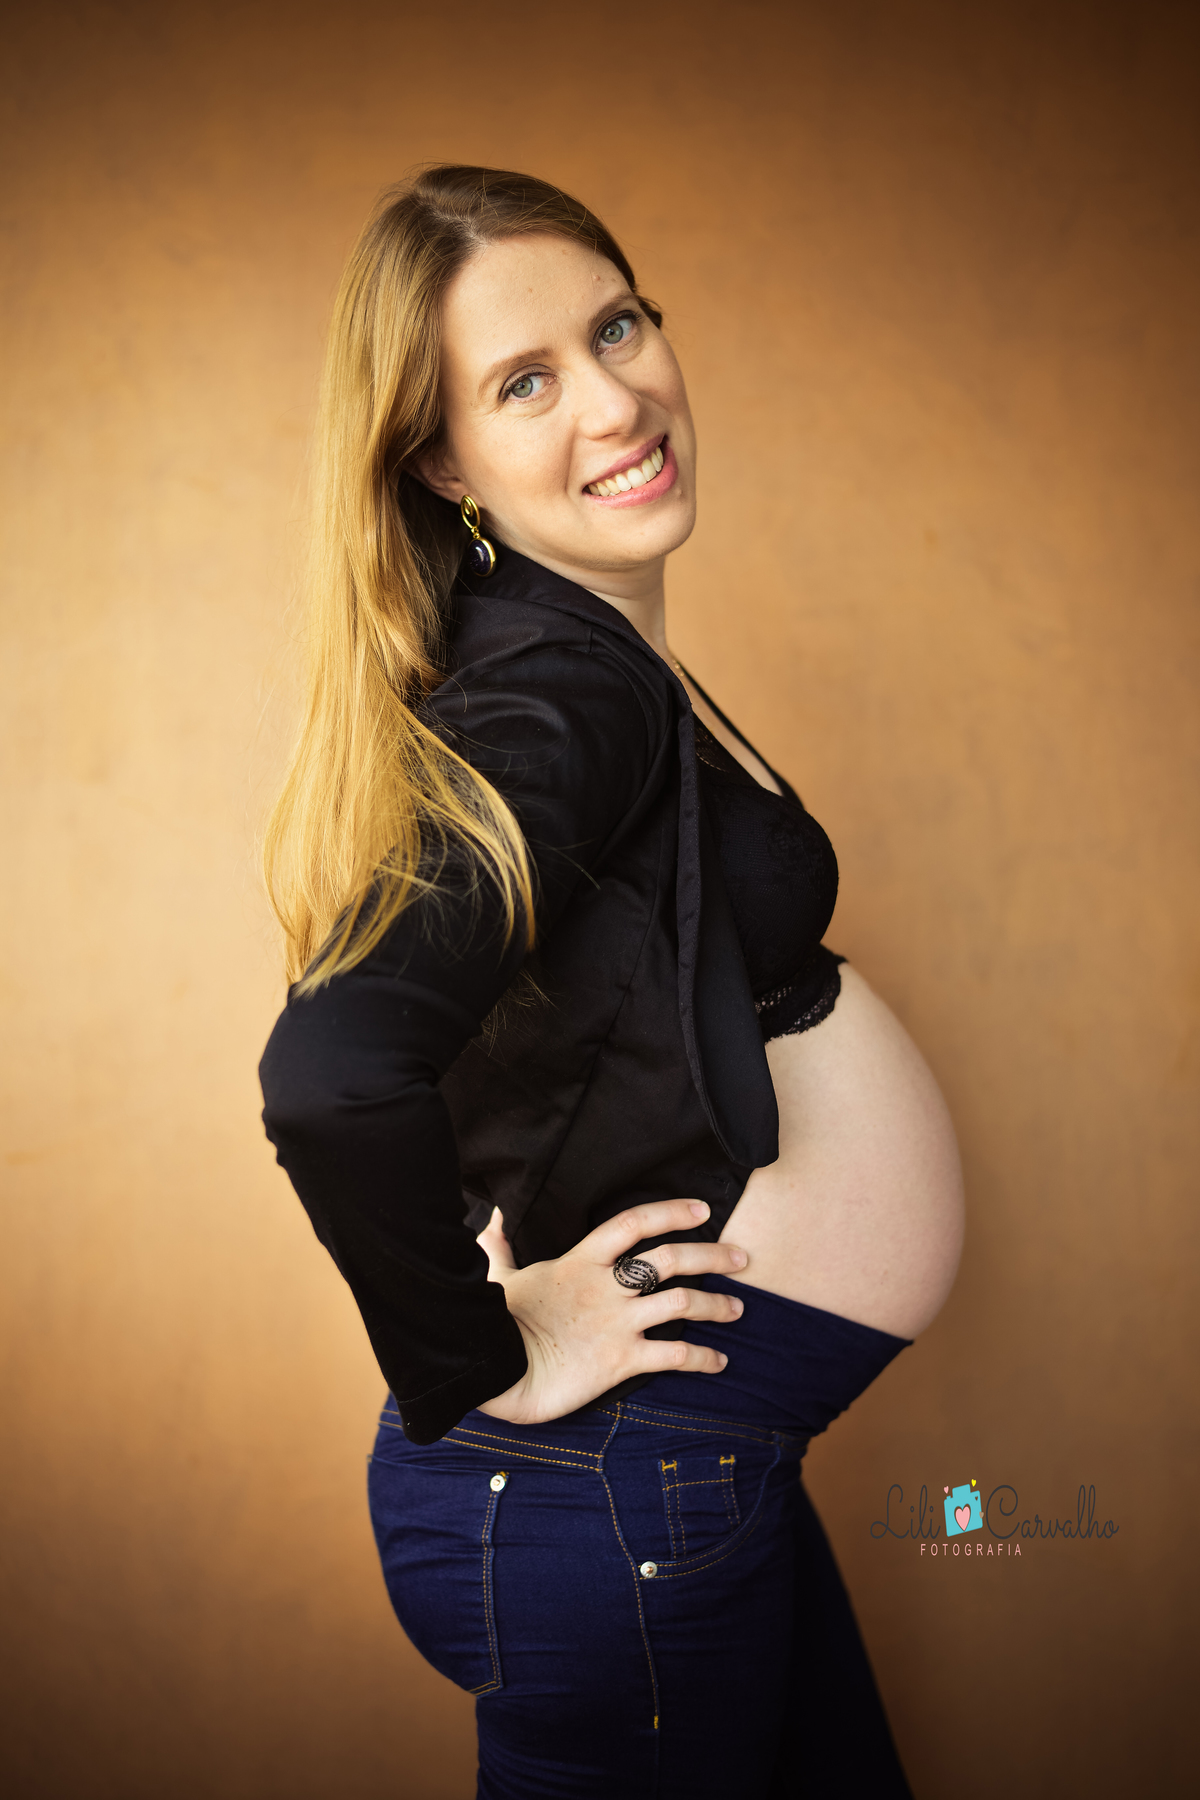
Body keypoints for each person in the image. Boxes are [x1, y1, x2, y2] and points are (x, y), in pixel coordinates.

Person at [259, 164, 964, 1798]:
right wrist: (484, 1355)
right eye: (526, 381)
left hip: (683, 1470)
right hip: (607, 1483)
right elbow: (330, 1072)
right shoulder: (564, 694)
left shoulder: (576, 652)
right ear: (446, 463)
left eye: (618, 325)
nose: (615, 397)